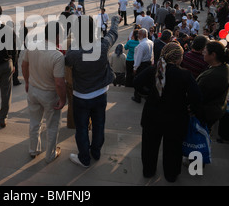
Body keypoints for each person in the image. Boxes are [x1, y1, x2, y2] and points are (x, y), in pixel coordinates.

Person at [134, 42, 203, 183]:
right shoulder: (185, 75)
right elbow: (197, 97)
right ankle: (171, 174)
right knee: (173, 148)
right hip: (176, 118)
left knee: (149, 146)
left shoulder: (153, 70)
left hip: (152, 116)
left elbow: (136, 83)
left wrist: (149, 93)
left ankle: (148, 170)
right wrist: (189, 106)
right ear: (178, 58)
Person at [65, 14, 122, 168]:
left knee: (82, 128)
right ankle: (95, 152)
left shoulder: (73, 52)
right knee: (99, 124)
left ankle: (84, 158)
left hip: (81, 95)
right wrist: (115, 21)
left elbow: (67, 62)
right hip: (100, 93)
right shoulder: (103, 46)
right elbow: (113, 33)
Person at [21, 22, 66, 163]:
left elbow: (24, 64)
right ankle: (50, 154)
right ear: (57, 36)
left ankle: (33, 150)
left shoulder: (33, 46)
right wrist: (63, 99)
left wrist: (27, 81)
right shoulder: (57, 56)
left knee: (35, 122)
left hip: (33, 90)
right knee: (52, 125)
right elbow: (59, 82)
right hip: (49, 94)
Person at [196, 41, 229, 131]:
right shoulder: (225, 68)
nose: (203, 54)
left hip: (206, 113)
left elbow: (199, 96)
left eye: (205, 52)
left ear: (213, 55)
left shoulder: (213, 75)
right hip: (215, 110)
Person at [132, 28, 154, 103]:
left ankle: (137, 97)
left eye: (140, 34)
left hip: (142, 65)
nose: (138, 35)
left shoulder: (141, 45)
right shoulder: (151, 42)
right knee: (146, 80)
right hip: (148, 63)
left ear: (144, 35)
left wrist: (135, 67)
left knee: (138, 80)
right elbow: (152, 54)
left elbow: (138, 58)